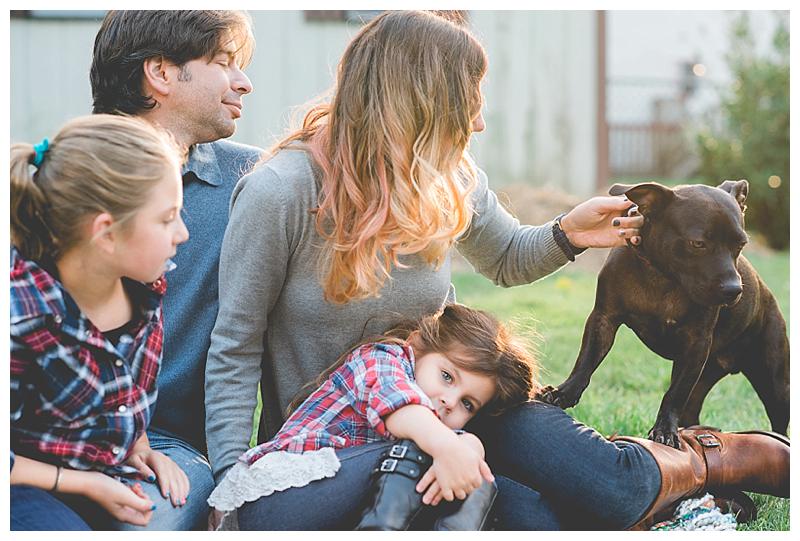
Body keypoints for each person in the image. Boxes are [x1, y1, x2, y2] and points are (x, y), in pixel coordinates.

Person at [205, 10, 789, 530]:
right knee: (539, 518)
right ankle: (666, 507)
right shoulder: (281, 192)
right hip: (343, 446)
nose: (478, 124)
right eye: (469, 103)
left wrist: (567, 234)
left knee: (613, 484)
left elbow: (507, 257)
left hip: (459, 411)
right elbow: (235, 346)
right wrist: (232, 487)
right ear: (417, 103)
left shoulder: (449, 176)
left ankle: (707, 458)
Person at [89, 10, 260, 530]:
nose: (244, 82)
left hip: (170, 448)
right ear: (161, 73)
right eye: (224, 62)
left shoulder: (254, 181)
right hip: (46, 431)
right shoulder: (68, 177)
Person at [10, 114, 190, 530]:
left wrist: (137, 445)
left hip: (99, 468)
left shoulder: (144, 293)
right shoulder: (21, 319)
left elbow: (122, 393)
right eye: (166, 219)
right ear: (106, 233)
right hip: (24, 482)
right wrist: (85, 485)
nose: (182, 233)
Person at [207, 304, 536, 528]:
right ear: (418, 346)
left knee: (460, 456)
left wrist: (468, 449)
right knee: (436, 443)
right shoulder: (382, 360)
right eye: (447, 376)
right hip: (264, 506)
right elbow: (404, 412)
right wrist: (461, 446)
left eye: (468, 404)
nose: (450, 401)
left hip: (324, 509)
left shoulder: (431, 436)